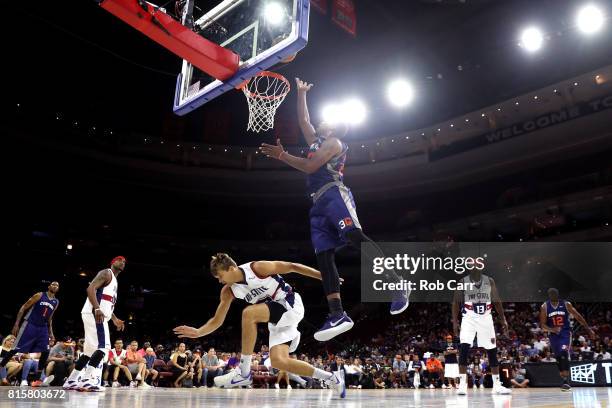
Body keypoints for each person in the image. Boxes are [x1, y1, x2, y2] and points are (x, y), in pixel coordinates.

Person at [259, 78, 409, 342]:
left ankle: (397, 282)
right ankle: (338, 313)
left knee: (354, 237)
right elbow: (304, 120)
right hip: (317, 204)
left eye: (325, 122)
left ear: (334, 128)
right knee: (324, 257)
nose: (320, 122)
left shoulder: (335, 143)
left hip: (333, 193)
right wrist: (301, 93)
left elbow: (309, 167)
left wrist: (283, 156)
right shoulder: (318, 141)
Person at [174, 253, 346, 398]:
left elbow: (293, 266)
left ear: (231, 269)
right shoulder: (228, 291)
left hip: (289, 304)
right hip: (276, 319)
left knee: (249, 313)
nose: (219, 281)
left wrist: (326, 277)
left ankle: (244, 372)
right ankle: (332, 378)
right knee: (279, 361)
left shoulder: (257, 268)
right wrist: (198, 332)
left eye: (220, 276)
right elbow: (217, 320)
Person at [63, 256, 126, 391]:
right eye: (120, 260)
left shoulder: (115, 281)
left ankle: (71, 380)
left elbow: (107, 303)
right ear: (113, 262)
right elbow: (90, 288)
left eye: (124, 261)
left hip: (97, 314)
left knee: (89, 352)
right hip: (95, 314)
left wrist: (114, 319)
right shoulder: (106, 273)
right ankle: (87, 380)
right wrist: (97, 308)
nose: (123, 262)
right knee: (104, 347)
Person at [452, 269, 511, 395]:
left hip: (486, 317)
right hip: (469, 317)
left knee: (492, 350)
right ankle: (462, 385)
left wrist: (503, 319)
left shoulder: (489, 281)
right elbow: (456, 302)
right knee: (464, 348)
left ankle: (497, 385)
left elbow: (496, 300)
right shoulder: (462, 281)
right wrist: (455, 322)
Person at [540, 287, 596, 391]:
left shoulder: (566, 304)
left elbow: (578, 317)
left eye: (555, 294)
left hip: (565, 333)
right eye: (551, 294)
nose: (553, 296)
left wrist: (589, 329)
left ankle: (566, 382)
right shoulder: (544, 306)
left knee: (563, 353)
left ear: (558, 295)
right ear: (549, 296)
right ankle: (563, 379)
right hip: (553, 336)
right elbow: (542, 325)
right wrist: (552, 329)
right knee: (558, 358)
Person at [11, 281, 60, 387]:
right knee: (22, 354)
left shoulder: (56, 302)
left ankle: (38, 380)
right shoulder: (39, 295)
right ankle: (18, 377)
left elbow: (50, 319)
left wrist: (51, 332)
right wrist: (16, 324)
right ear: (49, 286)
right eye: (53, 284)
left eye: (57, 285)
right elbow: (24, 307)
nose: (55, 286)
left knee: (45, 352)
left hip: (42, 328)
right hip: (30, 324)